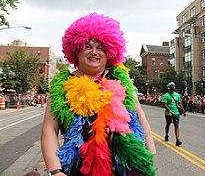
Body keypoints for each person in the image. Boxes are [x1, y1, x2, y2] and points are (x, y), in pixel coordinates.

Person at [41, 13, 156, 176]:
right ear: (77, 49)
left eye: (100, 47)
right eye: (88, 46)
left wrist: (150, 149)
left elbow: (139, 116)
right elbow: (49, 129)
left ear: (110, 51)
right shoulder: (63, 84)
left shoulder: (121, 79)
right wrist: (55, 171)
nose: (94, 52)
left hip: (125, 167)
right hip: (79, 168)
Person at [162, 82, 184, 146]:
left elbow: (179, 103)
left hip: (176, 112)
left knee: (176, 125)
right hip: (168, 113)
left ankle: (177, 140)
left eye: (174, 86)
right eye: (173, 86)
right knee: (168, 124)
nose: (174, 87)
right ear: (169, 88)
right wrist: (170, 111)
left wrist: (182, 110)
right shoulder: (166, 95)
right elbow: (165, 105)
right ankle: (166, 135)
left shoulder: (177, 95)